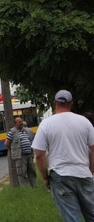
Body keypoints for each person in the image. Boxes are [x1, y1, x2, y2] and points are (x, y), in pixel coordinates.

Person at [32, 90, 94, 222]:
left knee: (72, 218)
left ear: (55, 103)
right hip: (84, 174)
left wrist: (45, 178)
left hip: (61, 176)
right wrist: (91, 171)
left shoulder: (46, 124)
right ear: (71, 103)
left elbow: (39, 155)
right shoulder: (84, 122)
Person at [4, 117, 37, 187]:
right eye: (19, 122)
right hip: (20, 156)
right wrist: (14, 150)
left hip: (29, 155)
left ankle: (35, 187)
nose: (22, 123)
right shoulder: (12, 132)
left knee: (32, 171)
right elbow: (7, 143)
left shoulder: (26, 131)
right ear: (15, 124)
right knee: (22, 172)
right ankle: (26, 190)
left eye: (22, 121)